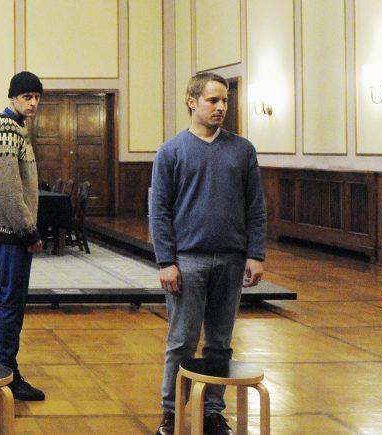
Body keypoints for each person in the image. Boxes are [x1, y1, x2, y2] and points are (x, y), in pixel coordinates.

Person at [150, 72, 266, 435]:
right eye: (213, 100)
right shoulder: (171, 151)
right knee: (181, 342)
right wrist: (166, 261)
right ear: (192, 101)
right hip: (188, 261)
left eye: (225, 100)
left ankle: (213, 411)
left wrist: (256, 253)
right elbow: (159, 211)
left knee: (220, 343)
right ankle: (172, 412)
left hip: (231, 259)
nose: (221, 107)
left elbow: (256, 206)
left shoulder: (242, 150)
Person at [0, 71, 46, 401]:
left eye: (37, 97)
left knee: (4, 299)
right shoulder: (7, 128)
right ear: (13, 98)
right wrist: (28, 232)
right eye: (27, 97)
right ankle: (6, 373)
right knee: (11, 302)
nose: (33, 102)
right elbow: (8, 190)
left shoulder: (13, 126)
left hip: (9, 231)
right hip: (13, 232)